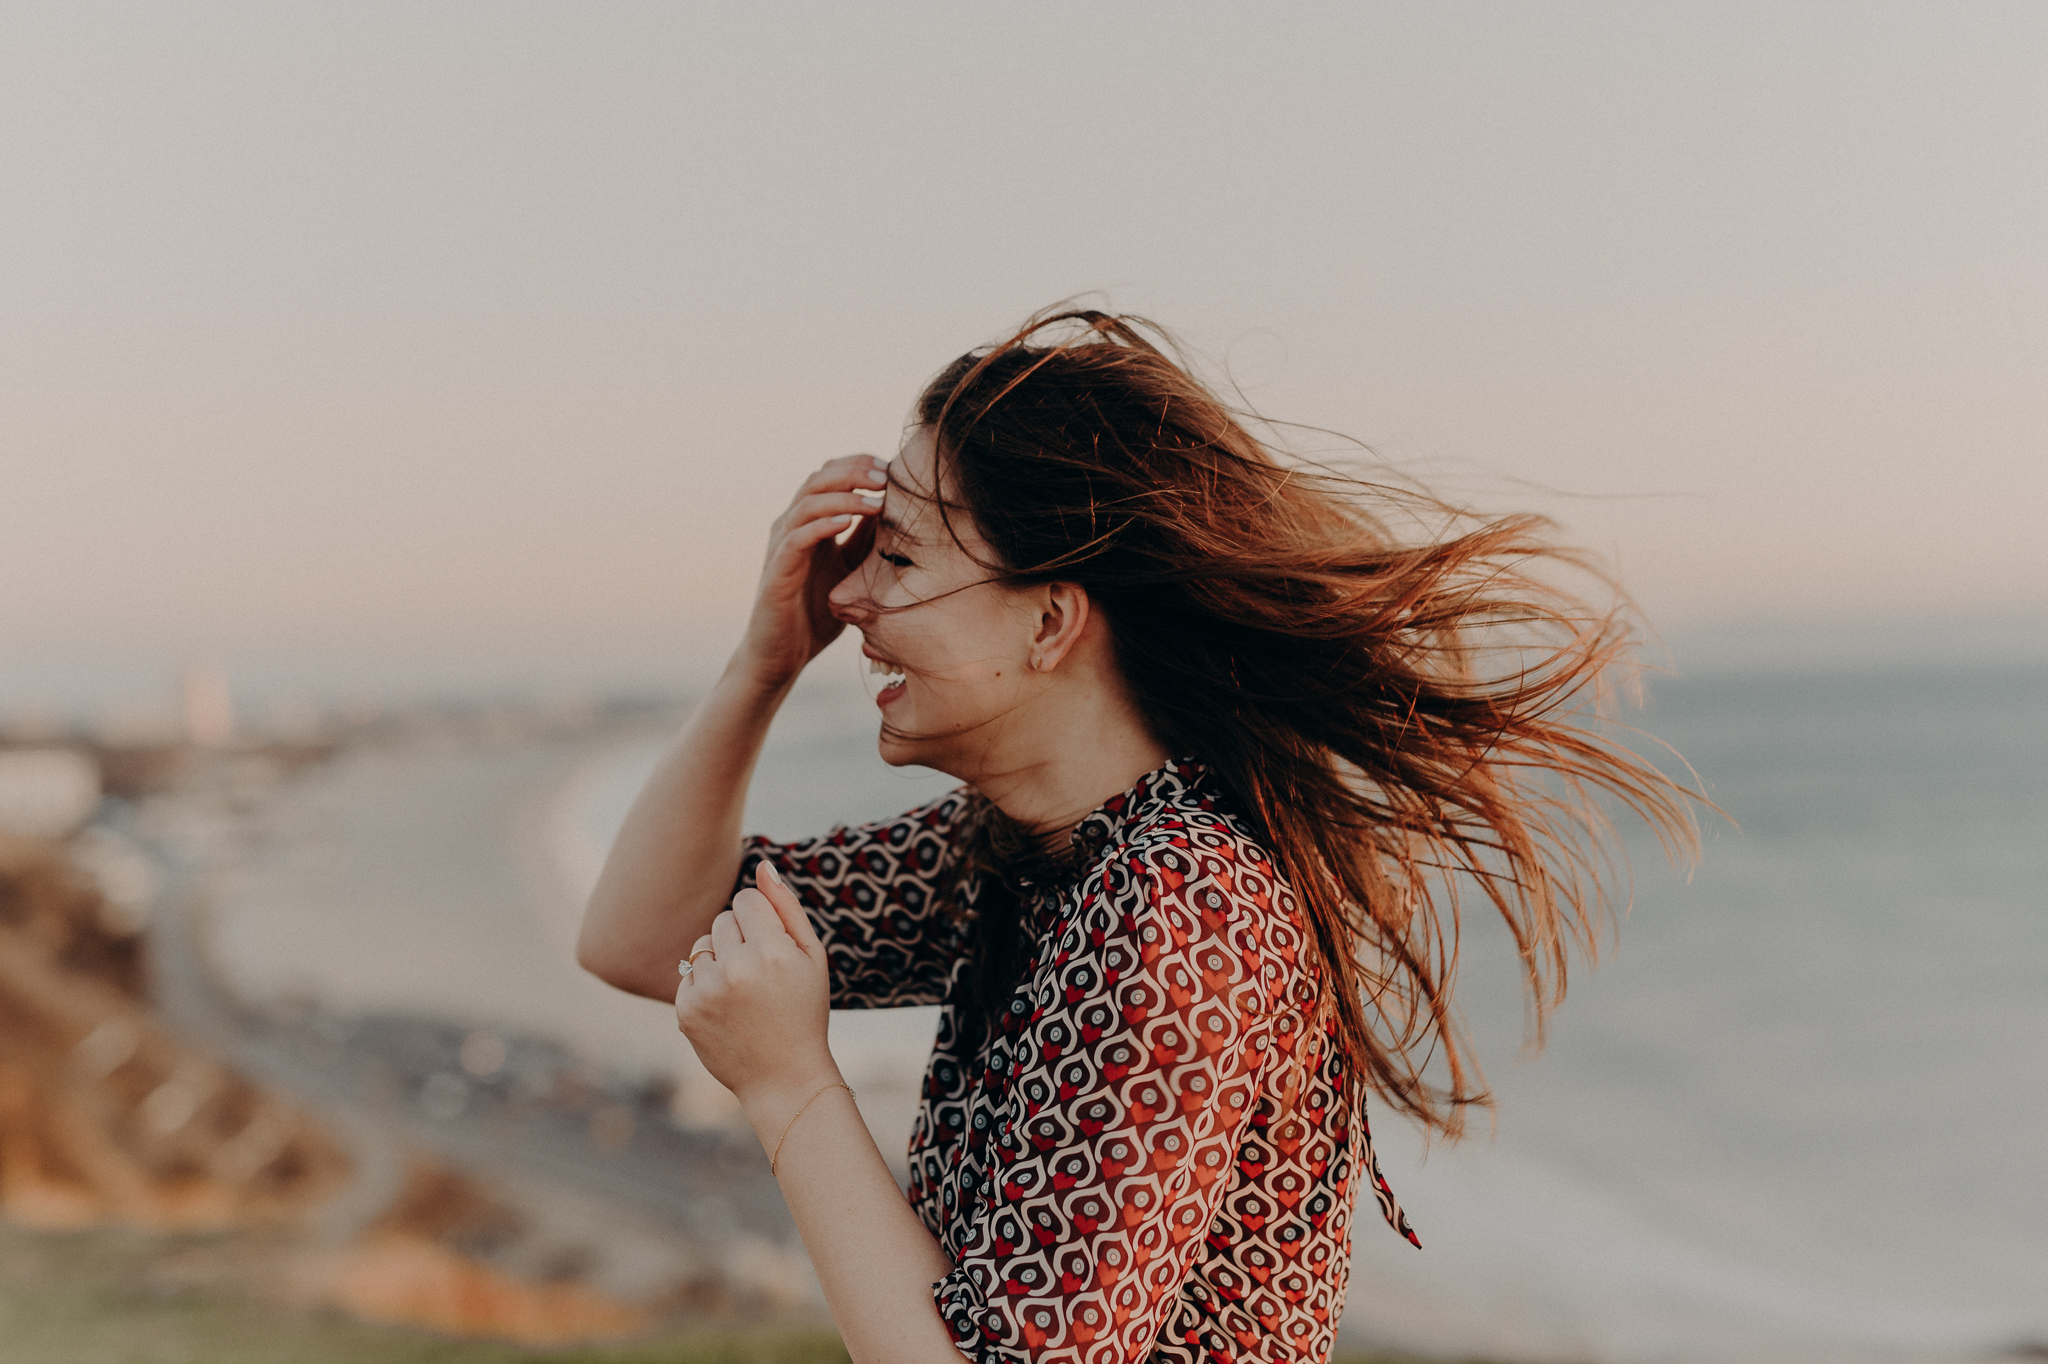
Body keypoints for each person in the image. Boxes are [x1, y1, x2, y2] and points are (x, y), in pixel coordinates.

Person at [576, 310, 1695, 1364]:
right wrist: (760, 664)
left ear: (1050, 620)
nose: (850, 594)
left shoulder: (1181, 910)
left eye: (900, 557)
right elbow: (646, 934)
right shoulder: (1020, 847)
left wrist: (789, 1084)